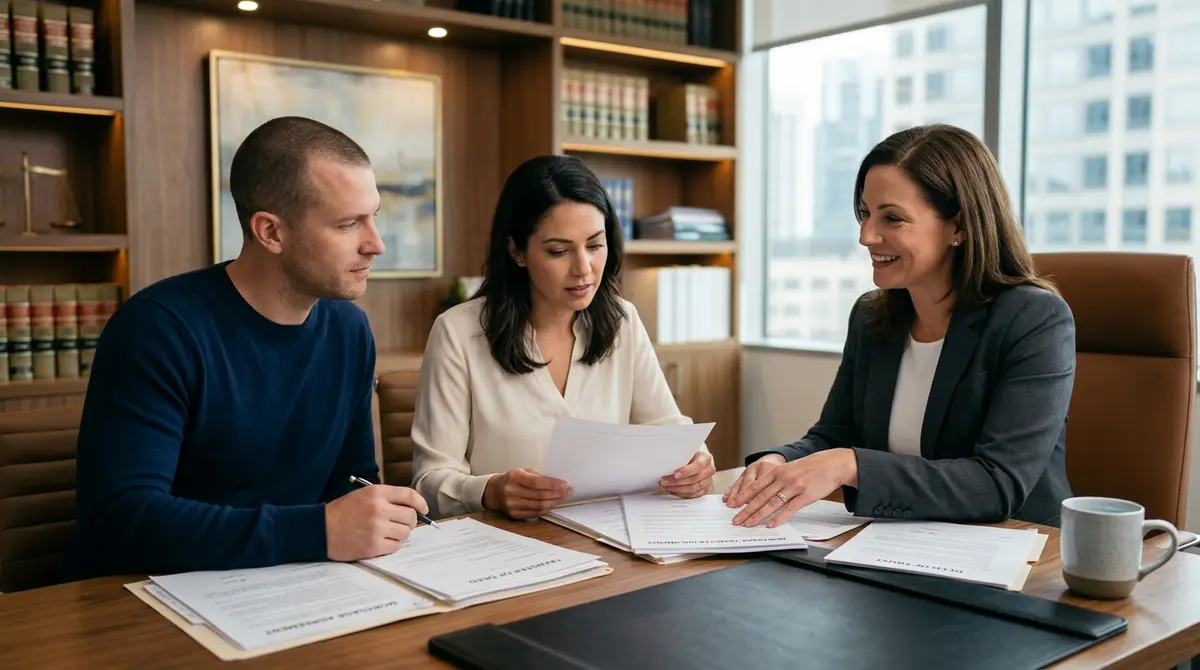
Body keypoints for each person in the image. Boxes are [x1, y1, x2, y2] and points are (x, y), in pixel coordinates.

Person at [70, 116, 430, 579]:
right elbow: (121, 520)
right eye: (348, 225)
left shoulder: (349, 329)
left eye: (374, 217)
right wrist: (316, 531)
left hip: (290, 584)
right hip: (150, 598)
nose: (376, 244)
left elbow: (351, 481)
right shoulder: (157, 329)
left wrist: (377, 518)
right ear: (271, 232)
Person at [724, 124, 1075, 529]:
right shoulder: (871, 317)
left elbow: (998, 485)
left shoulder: (1034, 319)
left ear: (958, 227)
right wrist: (781, 459)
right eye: (865, 213)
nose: (866, 235)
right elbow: (835, 434)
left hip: (1018, 549)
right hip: (897, 545)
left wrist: (848, 464)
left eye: (893, 218)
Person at [410, 154, 714, 520]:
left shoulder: (622, 321)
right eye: (559, 251)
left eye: (595, 245)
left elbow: (667, 431)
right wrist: (491, 491)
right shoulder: (458, 332)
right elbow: (428, 483)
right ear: (516, 251)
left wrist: (695, 462)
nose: (584, 269)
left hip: (608, 543)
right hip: (506, 549)